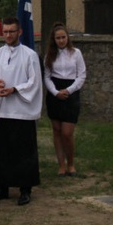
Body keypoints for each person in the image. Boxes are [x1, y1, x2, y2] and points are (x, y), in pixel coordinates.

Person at [0, 17, 43, 206]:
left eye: (12, 31)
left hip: (21, 111)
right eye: (6, 32)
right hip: (0, 110)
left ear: (20, 32)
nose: (8, 35)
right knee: (1, 151)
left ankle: (25, 188)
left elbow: (34, 82)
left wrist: (14, 89)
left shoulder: (30, 55)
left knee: (23, 151)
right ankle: (2, 187)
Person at [44, 23, 86, 177]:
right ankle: (61, 165)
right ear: (53, 40)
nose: (61, 40)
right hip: (55, 92)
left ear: (67, 37)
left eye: (63, 37)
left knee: (67, 132)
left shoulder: (76, 53)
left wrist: (69, 90)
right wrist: (55, 92)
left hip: (71, 92)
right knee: (57, 130)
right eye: (58, 38)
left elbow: (81, 75)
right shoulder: (50, 55)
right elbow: (47, 76)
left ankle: (71, 164)